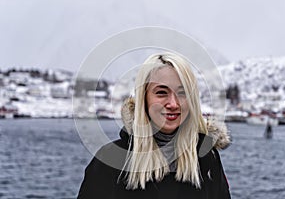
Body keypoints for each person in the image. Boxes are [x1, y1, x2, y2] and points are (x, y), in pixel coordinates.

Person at [77, 52, 231, 199]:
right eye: (161, 93)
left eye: (182, 93)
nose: (173, 104)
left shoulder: (207, 158)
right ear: (144, 98)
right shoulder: (109, 160)